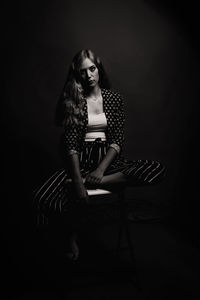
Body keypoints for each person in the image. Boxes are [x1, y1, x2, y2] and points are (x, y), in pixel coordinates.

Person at [33, 49, 165, 261]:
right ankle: (70, 236)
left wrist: (100, 172)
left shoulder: (114, 99)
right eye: (83, 72)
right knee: (41, 198)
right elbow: (71, 145)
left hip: (107, 162)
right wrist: (77, 180)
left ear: (99, 68)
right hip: (80, 162)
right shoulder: (73, 99)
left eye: (92, 69)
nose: (89, 76)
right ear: (78, 75)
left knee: (155, 168)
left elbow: (117, 141)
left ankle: (94, 181)